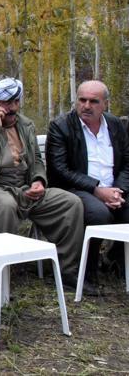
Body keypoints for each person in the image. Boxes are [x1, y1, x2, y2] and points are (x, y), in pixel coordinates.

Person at [0, 76, 87, 291]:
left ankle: (67, 270)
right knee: (4, 206)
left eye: (16, 102)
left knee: (70, 203)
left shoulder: (25, 123)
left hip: (24, 186)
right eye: (7, 103)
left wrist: (38, 180)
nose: (13, 108)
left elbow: (36, 160)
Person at [46, 80, 129, 284]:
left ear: (105, 104)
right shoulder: (61, 126)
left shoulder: (115, 125)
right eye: (82, 100)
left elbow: (127, 161)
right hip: (76, 188)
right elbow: (59, 169)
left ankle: (116, 259)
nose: (86, 106)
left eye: (94, 101)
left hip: (113, 187)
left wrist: (119, 191)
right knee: (99, 214)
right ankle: (86, 269)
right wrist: (96, 189)